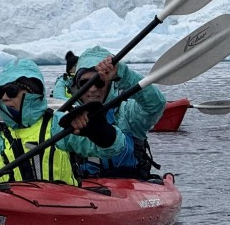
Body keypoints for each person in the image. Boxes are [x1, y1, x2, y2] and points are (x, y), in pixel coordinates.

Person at [0, 57, 134, 184]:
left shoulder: (58, 125)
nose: (5, 98)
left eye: (12, 91)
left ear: (31, 93)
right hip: (14, 207)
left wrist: (98, 130)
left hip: (64, 205)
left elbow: (115, 148)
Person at [67, 45, 167, 178]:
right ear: (77, 85)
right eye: (85, 83)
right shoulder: (69, 117)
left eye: (99, 82)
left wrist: (123, 75)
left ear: (110, 83)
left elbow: (156, 104)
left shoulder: (127, 113)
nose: (92, 89)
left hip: (131, 188)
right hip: (86, 189)